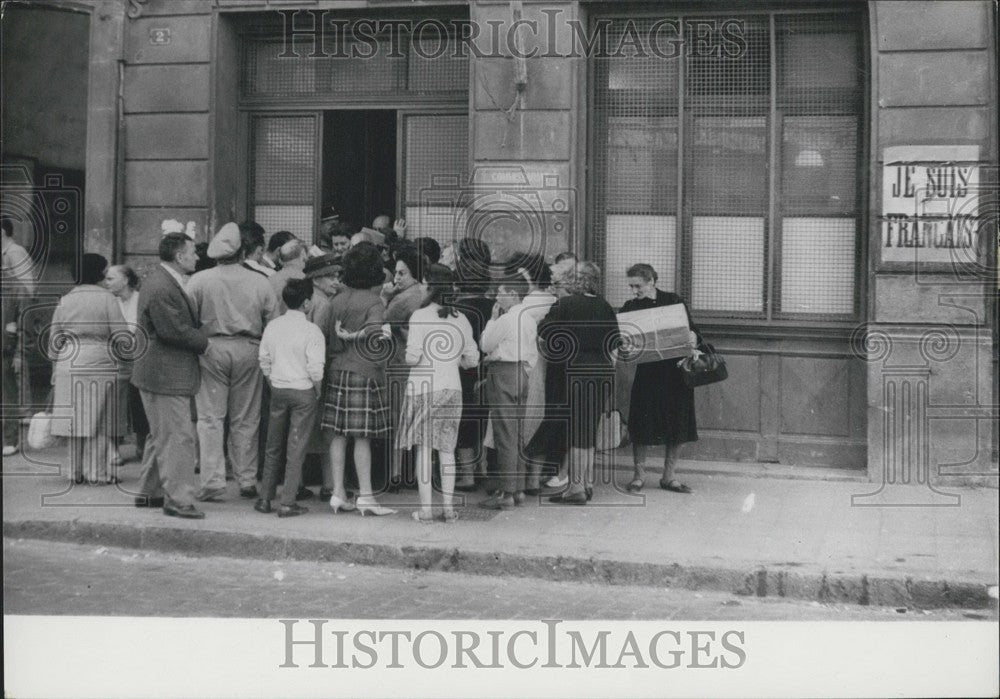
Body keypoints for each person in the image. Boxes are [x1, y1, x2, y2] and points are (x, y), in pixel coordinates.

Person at [187, 222, 279, 502]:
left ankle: (212, 481)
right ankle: (247, 478)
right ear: (242, 252)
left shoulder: (199, 280)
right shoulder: (260, 281)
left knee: (210, 418)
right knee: (247, 417)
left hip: (210, 348)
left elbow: (188, 319)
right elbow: (271, 322)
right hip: (249, 347)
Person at [132, 234, 209, 517]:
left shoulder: (160, 281)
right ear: (179, 256)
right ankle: (178, 500)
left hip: (158, 372)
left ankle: (149, 492)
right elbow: (173, 330)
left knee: (161, 435)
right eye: (193, 252)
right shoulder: (164, 286)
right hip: (166, 373)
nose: (197, 257)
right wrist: (205, 342)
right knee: (178, 437)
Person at [398, 265, 479, 523]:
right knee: (447, 449)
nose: (421, 287)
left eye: (423, 283)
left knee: (423, 450)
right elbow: (473, 359)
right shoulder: (461, 318)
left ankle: (426, 509)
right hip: (452, 388)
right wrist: (455, 361)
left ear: (431, 287)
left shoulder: (419, 316)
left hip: (424, 387)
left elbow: (413, 357)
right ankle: (447, 508)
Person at [322, 243, 396, 516]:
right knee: (362, 437)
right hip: (364, 372)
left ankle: (338, 492)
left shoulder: (336, 300)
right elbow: (376, 334)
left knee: (338, 435)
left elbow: (330, 338)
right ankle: (366, 495)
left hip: (338, 369)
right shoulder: (374, 302)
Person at [539, 261, 619, 506]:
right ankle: (586, 483)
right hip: (601, 371)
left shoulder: (565, 304)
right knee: (588, 430)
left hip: (574, 372)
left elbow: (544, 331)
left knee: (575, 431)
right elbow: (614, 340)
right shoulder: (604, 305)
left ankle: (575, 488)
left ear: (574, 280)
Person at [620, 263, 701, 494]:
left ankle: (669, 476)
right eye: (632, 286)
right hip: (648, 374)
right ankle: (638, 476)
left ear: (652, 281)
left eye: (638, 285)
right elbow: (623, 339)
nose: (635, 291)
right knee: (642, 423)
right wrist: (624, 343)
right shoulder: (630, 307)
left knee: (677, 423)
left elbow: (693, 330)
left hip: (675, 373)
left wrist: (693, 337)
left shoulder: (673, 301)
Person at [49, 254, 129, 484]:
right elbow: (121, 335)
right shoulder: (107, 299)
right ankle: (97, 472)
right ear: (98, 273)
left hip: (68, 359)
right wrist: (128, 358)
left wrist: (55, 366)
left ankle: (74, 471)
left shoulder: (65, 299)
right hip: (100, 359)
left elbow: (54, 337)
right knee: (101, 419)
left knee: (75, 419)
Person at [256, 278, 325, 518]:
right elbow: (316, 369)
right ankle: (287, 502)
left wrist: (273, 381)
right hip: (303, 391)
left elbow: (264, 359)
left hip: (278, 388)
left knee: (273, 445)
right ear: (306, 303)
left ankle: (265, 498)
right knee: (296, 448)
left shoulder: (273, 326)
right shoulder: (312, 330)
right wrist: (317, 391)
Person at [478, 265, 538, 510]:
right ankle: (519, 488)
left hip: (503, 373)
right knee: (518, 432)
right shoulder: (529, 318)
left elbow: (485, 344)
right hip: (522, 372)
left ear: (513, 293)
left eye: (501, 292)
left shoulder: (505, 318)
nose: (497, 297)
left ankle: (507, 492)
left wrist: (491, 321)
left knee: (504, 434)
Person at [526, 255, 578, 489]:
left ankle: (550, 475)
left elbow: (545, 330)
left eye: (556, 282)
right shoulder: (560, 304)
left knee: (559, 420)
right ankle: (557, 473)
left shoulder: (563, 305)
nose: (553, 286)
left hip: (563, 371)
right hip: (565, 370)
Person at [383, 245, 428, 490]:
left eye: (402, 273)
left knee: (398, 417)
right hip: (424, 363)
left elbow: (381, 318)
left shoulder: (402, 299)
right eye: (396, 272)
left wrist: (383, 296)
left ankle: (396, 472)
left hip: (401, 362)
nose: (397, 277)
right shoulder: (425, 292)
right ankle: (416, 472)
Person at [452, 238, 494, 491]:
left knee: (464, 419)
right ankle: (483, 467)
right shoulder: (493, 306)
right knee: (483, 418)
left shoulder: (457, 309)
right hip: (487, 369)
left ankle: (467, 475)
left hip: (463, 370)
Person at [516, 253, 557, 493]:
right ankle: (535, 476)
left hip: (525, 364)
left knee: (521, 418)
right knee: (539, 416)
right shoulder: (554, 299)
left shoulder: (525, 304)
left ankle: (520, 478)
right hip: (548, 365)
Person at [104, 264, 149, 463]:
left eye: (111, 278)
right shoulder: (108, 301)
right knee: (115, 403)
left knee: (140, 401)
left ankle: (142, 444)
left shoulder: (141, 299)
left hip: (140, 356)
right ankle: (113, 447)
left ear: (126, 280)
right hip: (115, 357)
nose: (107, 283)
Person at [2, 264, 25, 456]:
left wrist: (19, 353)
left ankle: (10, 439)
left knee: (7, 396)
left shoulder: (15, 287)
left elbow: (24, 324)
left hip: (5, 350)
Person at [268, 240, 308, 314]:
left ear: (280, 260)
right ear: (303, 254)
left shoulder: (270, 280)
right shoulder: (306, 280)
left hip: (275, 323)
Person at [1, 216, 36, 297]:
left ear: (2, 232)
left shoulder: (14, 252)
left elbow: (26, 286)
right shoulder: (6, 252)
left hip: (16, 302)